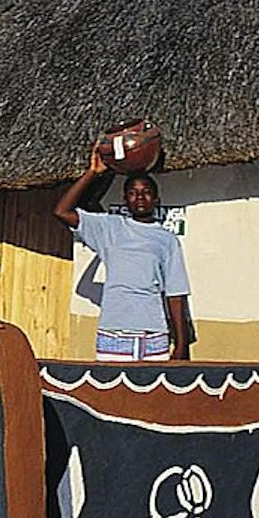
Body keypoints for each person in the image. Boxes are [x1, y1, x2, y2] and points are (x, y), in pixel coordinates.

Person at [53, 147, 192, 362]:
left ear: (156, 199)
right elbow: (62, 211)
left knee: (152, 394)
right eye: (133, 192)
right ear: (125, 199)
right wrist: (92, 172)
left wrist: (181, 344)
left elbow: (175, 294)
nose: (140, 197)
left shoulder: (166, 240)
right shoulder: (109, 228)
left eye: (146, 192)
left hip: (153, 335)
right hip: (113, 334)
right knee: (112, 393)